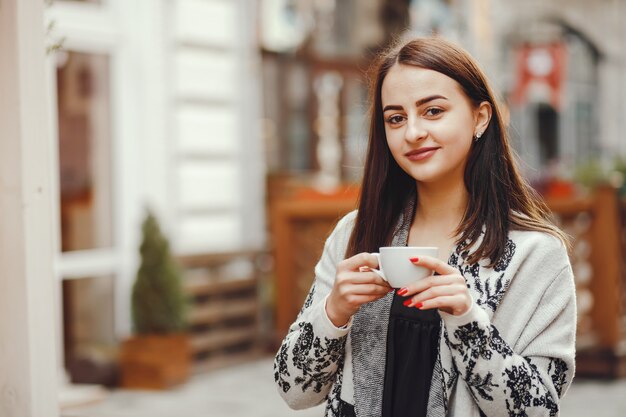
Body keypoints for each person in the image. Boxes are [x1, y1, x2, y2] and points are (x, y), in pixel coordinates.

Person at [273, 36, 576, 417]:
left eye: (432, 111)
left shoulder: (536, 254)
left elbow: (539, 410)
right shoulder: (355, 234)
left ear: (480, 117)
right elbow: (293, 390)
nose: (412, 132)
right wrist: (333, 312)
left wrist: (467, 321)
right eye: (395, 118)